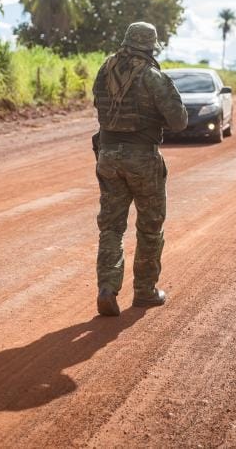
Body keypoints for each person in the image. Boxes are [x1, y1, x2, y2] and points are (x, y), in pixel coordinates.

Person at [92, 22, 187, 317]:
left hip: (107, 156)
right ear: (151, 45)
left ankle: (107, 288)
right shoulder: (153, 77)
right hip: (142, 159)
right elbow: (179, 121)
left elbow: (100, 107)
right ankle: (145, 292)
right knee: (149, 226)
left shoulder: (105, 70)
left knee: (111, 227)